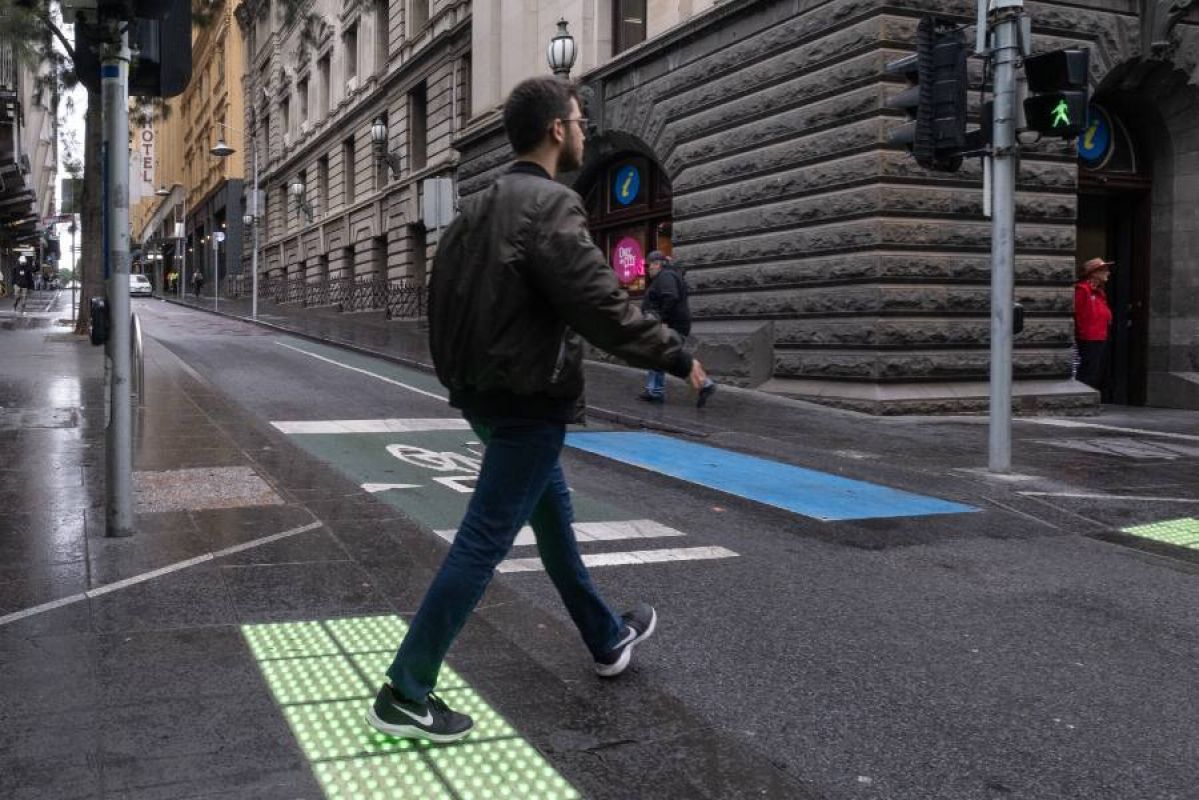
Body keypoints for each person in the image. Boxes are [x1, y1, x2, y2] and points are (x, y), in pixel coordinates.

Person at [367, 76, 710, 744]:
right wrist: (673, 353)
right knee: (482, 541)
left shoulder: (476, 208)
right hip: (528, 401)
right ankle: (406, 690)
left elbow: (439, 306)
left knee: (553, 526)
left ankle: (606, 638)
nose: (583, 130)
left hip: (487, 396)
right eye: (579, 120)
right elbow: (602, 307)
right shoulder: (550, 206)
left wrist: (461, 381)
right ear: (555, 129)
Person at [638, 251, 716, 407]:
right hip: (670, 325)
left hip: (671, 325)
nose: (648, 269)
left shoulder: (666, 276)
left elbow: (670, 297)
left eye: (650, 265)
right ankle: (654, 391)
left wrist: (663, 320)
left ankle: (705, 384)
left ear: (657, 264)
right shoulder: (666, 276)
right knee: (659, 355)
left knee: (669, 355)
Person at [1074, 257, 1113, 391]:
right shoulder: (1083, 289)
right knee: (1088, 370)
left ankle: (1089, 395)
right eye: (1104, 270)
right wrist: (1082, 333)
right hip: (1088, 338)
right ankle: (1082, 396)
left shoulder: (1099, 291)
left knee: (1096, 370)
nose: (1108, 273)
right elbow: (1078, 313)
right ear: (1094, 273)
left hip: (1100, 335)